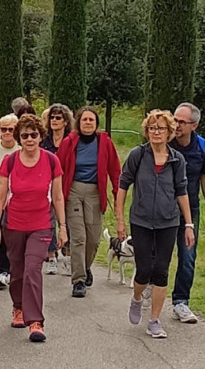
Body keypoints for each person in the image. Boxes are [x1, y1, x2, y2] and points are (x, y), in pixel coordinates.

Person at [115, 109, 194, 339]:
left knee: (161, 270)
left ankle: (155, 321)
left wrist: (188, 224)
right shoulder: (137, 155)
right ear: (146, 131)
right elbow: (122, 186)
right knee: (144, 270)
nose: (155, 132)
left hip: (168, 221)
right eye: (151, 128)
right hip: (140, 220)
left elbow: (182, 192)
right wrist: (120, 220)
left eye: (160, 128)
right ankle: (137, 298)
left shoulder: (176, 159)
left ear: (169, 132)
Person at [0, 114, 67, 343]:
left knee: (33, 270)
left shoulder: (52, 160)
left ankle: (36, 322)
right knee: (18, 271)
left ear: (40, 136)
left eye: (34, 135)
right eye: (24, 136)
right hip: (13, 225)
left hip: (42, 225)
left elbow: (58, 197)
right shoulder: (10, 161)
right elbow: (0, 195)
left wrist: (62, 227)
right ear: (19, 138)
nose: (29, 139)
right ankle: (18, 308)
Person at [55, 107, 121, 298]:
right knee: (79, 237)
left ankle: (86, 265)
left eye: (91, 120)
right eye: (84, 120)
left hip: (94, 192)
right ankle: (78, 280)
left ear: (96, 123)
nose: (88, 123)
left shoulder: (105, 143)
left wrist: (117, 195)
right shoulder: (69, 142)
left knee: (93, 238)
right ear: (78, 122)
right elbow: (58, 169)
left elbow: (115, 171)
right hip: (74, 190)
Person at [169, 102, 205, 324]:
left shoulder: (202, 147)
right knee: (157, 254)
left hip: (191, 210)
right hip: (163, 208)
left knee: (188, 256)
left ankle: (181, 302)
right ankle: (148, 286)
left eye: (181, 122)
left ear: (194, 125)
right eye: (175, 119)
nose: (176, 125)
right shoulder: (164, 142)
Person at [0, 113, 20, 289]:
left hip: (16, 200)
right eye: (3, 129)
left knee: (13, 236)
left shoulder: (22, 150)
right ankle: (1, 271)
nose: (7, 132)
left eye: (11, 129)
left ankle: (14, 269)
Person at [41, 103, 73, 275]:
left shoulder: (71, 141)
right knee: (49, 220)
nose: (54, 120)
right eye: (52, 117)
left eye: (58, 117)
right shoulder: (44, 140)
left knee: (66, 220)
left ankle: (67, 256)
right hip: (47, 184)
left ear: (65, 121)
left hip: (67, 184)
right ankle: (51, 256)